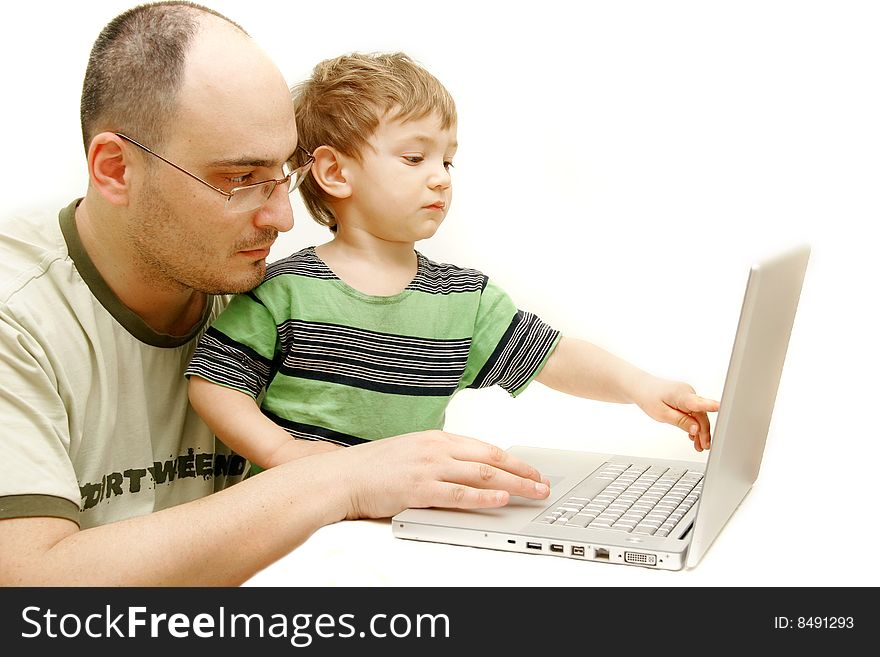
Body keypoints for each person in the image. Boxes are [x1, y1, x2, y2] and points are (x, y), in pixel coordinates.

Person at [0, 2, 556, 587]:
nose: (284, 218)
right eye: (240, 179)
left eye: (282, 175)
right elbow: (26, 583)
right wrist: (340, 478)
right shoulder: (18, 316)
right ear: (115, 169)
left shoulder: (264, 290)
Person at [185, 52, 720, 473]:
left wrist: (642, 388)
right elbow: (213, 384)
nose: (440, 176)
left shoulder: (464, 300)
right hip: (296, 521)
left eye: (447, 160)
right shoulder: (283, 290)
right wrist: (286, 456)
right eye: (414, 158)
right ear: (335, 174)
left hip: (401, 523)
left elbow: (554, 358)